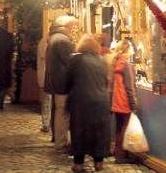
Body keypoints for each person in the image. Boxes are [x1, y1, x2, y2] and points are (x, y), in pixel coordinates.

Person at [66, 34, 111, 172]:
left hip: (81, 101)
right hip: (101, 100)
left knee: (79, 130)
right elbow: (106, 81)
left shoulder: (75, 59)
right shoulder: (103, 61)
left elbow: (68, 79)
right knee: (100, 131)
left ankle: (78, 163)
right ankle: (99, 162)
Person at [44, 15, 80, 152]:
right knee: (62, 113)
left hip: (57, 82)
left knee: (59, 111)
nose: (75, 30)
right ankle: (61, 142)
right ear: (68, 26)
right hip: (63, 83)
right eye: (74, 26)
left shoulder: (55, 38)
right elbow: (71, 62)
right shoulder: (62, 41)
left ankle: (59, 139)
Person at [110, 39, 137, 164]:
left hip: (116, 100)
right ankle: (122, 155)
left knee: (119, 128)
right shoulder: (126, 65)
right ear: (128, 50)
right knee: (125, 128)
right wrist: (133, 103)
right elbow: (129, 86)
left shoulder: (115, 63)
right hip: (124, 100)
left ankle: (118, 153)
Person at [36, 30, 51, 133]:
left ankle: (47, 123)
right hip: (46, 77)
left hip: (47, 77)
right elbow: (44, 57)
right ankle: (46, 123)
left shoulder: (46, 41)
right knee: (46, 101)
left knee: (47, 101)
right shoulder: (45, 42)